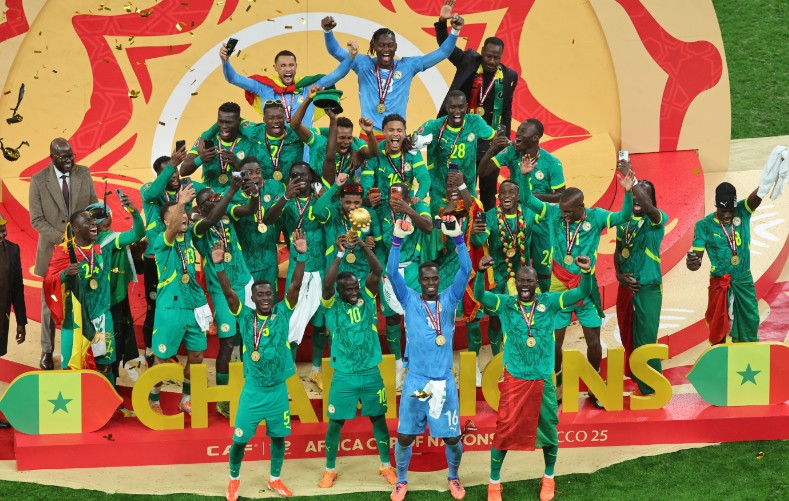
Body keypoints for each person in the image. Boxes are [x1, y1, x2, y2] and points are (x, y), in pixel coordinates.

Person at [475, 254, 593, 501]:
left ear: (536, 282)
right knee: (504, 430)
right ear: (516, 282)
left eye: (529, 281)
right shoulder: (506, 304)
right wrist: (479, 273)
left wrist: (587, 272)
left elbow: (581, 292)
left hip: (543, 379)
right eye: (521, 280)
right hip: (515, 378)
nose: (525, 285)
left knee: (549, 429)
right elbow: (481, 297)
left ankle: (548, 478)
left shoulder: (549, 301)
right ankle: (494, 483)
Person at [521, 165, 635, 407]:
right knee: (554, 341)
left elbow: (624, 217)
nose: (564, 216)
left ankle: (595, 387)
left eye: (569, 212)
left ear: (581, 208)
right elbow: (526, 199)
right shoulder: (554, 213)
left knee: (594, 341)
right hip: (558, 285)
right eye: (562, 211)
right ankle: (559, 385)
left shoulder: (597, 217)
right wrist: (523, 176)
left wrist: (628, 192)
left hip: (586, 285)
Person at [220, 230, 309, 501]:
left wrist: (301, 255)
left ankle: (275, 478)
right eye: (260, 295)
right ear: (254, 298)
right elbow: (227, 293)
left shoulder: (283, 311)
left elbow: (294, 285)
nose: (266, 298)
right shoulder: (245, 318)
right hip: (253, 391)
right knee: (239, 439)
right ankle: (234, 479)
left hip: (278, 391)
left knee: (279, 437)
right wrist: (218, 266)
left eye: (269, 293)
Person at [388, 215, 472, 501]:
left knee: (451, 438)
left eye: (435, 278)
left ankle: (454, 477)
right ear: (420, 281)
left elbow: (466, 268)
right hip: (417, 381)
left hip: (444, 382)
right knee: (405, 437)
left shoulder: (450, 299)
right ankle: (400, 480)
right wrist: (397, 239)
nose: (431, 282)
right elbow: (391, 271)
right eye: (426, 279)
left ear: (439, 279)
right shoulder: (409, 299)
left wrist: (459, 239)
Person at [317, 233, 397, 488]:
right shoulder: (332, 304)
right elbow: (327, 284)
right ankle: (330, 469)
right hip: (343, 374)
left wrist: (362, 245)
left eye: (355, 287)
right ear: (339, 292)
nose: (353, 292)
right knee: (335, 423)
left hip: (371, 371)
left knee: (378, 419)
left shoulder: (367, 298)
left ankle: (386, 465)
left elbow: (377, 269)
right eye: (348, 289)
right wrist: (340, 254)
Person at [44, 194, 145, 383]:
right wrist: (65, 274)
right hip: (74, 321)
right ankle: (75, 408)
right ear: (74, 228)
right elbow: (49, 281)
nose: (93, 224)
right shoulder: (64, 252)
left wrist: (134, 212)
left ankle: (106, 406)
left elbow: (137, 234)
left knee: (104, 365)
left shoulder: (105, 243)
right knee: (72, 367)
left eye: (93, 221)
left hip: (101, 318)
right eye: (87, 221)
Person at [433, 0, 518, 211]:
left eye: (496, 58)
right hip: (463, 139)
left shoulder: (509, 76)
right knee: (458, 188)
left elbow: (506, 110)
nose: (491, 61)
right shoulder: (469, 60)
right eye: (488, 56)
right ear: (482, 52)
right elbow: (446, 48)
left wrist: (503, 138)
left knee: (489, 192)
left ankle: (485, 237)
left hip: (489, 142)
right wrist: (443, 22)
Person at [322, 13, 464, 133]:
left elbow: (443, 52)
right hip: (368, 133)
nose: (386, 49)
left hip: (396, 135)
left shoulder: (408, 66)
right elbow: (335, 51)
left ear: (395, 46)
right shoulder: (362, 63)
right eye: (381, 45)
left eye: (390, 45)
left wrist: (455, 31)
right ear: (374, 46)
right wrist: (328, 32)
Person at [29, 137, 98, 370]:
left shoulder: (84, 173)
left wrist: (89, 231)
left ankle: (87, 346)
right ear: (52, 158)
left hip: (82, 250)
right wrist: (65, 239)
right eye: (64, 157)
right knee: (50, 303)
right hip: (53, 251)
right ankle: (47, 351)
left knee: (85, 297)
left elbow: (92, 208)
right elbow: (36, 220)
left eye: (71, 156)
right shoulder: (38, 181)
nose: (69, 161)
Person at [148, 183, 213, 415]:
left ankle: (186, 398)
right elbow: (175, 225)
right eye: (178, 215)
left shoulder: (189, 239)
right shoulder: (161, 241)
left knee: (197, 355)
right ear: (167, 221)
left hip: (192, 306)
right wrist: (181, 202)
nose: (183, 217)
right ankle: (153, 397)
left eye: (184, 215)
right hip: (170, 307)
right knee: (163, 357)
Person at [479, 119, 565, 293]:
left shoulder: (552, 163)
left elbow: (561, 196)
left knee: (543, 270)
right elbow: (483, 172)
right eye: (518, 129)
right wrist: (493, 148)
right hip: (515, 217)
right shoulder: (511, 152)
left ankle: (543, 305)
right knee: (515, 264)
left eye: (523, 131)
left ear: (534, 138)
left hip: (540, 220)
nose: (517, 133)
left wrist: (530, 198)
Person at [192, 177, 253, 417]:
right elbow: (211, 218)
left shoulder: (228, 216)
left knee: (249, 337)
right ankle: (223, 396)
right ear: (199, 207)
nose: (217, 202)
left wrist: (253, 194)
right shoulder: (199, 228)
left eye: (218, 198)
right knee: (227, 341)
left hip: (244, 282)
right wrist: (229, 192)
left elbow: (248, 209)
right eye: (211, 199)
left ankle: (250, 386)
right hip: (220, 287)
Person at [263, 161, 328, 388]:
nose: (299, 179)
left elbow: (334, 217)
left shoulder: (320, 199)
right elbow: (268, 220)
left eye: (303, 175)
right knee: (291, 321)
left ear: (312, 177)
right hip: (297, 269)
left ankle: (317, 370)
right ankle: (288, 373)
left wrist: (323, 195)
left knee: (320, 323)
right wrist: (286, 197)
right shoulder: (287, 203)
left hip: (320, 267)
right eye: (294, 175)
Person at [471, 180, 540, 385]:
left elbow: (540, 237)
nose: (507, 195)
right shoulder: (490, 216)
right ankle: (497, 359)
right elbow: (477, 242)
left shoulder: (528, 214)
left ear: (518, 196)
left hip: (523, 277)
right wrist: (476, 232)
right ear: (498, 196)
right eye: (503, 192)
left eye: (511, 192)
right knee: (494, 319)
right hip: (498, 276)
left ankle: (520, 357)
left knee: (522, 319)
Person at [426, 172, 487, 386]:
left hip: (468, 268)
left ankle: (474, 366)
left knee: (473, 318)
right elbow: (433, 238)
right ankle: (444, 365)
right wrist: (445, 215)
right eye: (449, 184)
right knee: (442, 321)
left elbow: (480, 228)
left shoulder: (474, 206)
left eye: (458, 184)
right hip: (446, 270)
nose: (453, 188)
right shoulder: (438, 209)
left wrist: (462, 190)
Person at [687, 181, 763, 344]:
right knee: (718, 326)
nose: (727, 215)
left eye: (730, 211)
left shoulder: (743, 211)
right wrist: (693, 262)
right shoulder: (703, 226)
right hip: (719, 283)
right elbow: (696, 259)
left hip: (743, 281)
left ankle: (748, 358)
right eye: (723, 211)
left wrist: (772, 171)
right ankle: (721, 362)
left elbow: (758, 195)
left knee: (750, 321)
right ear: (716, 206)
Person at [614, 170, 667, 395]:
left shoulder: (656, 220)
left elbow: (650, 209)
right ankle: (640, 381)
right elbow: (618, 251)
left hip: (648, 287)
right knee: (629, 337)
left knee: (646, 339)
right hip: (625, 288)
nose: (637, 199)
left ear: (650, 200)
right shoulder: (623, 221)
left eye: (642, 195)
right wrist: (618, 274)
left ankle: (653, 388)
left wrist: (633, 183)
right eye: (634, 195)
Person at [377, 183, 434, 389]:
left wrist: (408, 210)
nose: (395, 202)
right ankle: (398, 364)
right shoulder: (381, 211)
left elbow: (428, 227)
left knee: (416, 317)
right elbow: (377, 243)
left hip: (412, 270)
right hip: (390, 269)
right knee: (391, 317)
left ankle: (416, 364)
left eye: (399, 198)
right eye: (392, 198)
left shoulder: (418, 207)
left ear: (409, 197)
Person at [220, 42, 355, 125]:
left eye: (291, 65)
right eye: (283, 66)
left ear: (296, 66)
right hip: (276, 149)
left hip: (304, 151)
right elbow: (233, 78)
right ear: (275, 68)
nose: (288, 69)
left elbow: (337, 74)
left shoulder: (309, 86)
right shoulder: (263, 87)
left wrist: (351, 57)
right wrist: (225, 61)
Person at [88, 203, 145, 394]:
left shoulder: (100, 239)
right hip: (98, 304)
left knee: (106, 346)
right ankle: (101, 392)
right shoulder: (105, 240)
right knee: (102, 347)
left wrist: (134, 212)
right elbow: (137, 233)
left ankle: (104, 392)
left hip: (102, 304)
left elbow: (137, 234)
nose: (107, 223)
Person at [140, 146, 190, 365]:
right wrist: (171, 165)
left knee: (176, 306)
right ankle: (151, 350)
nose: (173, 176)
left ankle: (168, 349)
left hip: (178, 258)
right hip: (155, 259)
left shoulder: (185, 191)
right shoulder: (150, 190)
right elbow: (151, 194)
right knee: (155, 306)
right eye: (168, 173)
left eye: (176, 172)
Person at [289, 87, 379, 187]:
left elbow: (373, 152)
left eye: (349, 138)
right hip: (318, 195)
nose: (346, 142)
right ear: (332, 135)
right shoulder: (319, 142)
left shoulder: (356, 144)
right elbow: (295, 125)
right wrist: (308, 99)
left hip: (344, 198)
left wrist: (370, 133)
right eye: (341, 138)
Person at [419, 90, 496, 208]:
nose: (457, 111)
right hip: (440, 193)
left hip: (467, 188)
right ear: (446, 107)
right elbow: (411, 143)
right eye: (453, 107)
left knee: (471, 223)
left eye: (461, 107)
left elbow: (495, 136)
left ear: (466, 106)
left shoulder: (474, 121)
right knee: (440, 225)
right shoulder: (434, 126)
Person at [180, 102, 263, 191]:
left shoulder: (248, 143)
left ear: (238, 122)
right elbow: (183, 171)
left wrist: (236, 165)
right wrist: (200, 159)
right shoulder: (206, 139)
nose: (223, 126)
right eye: (220, 122)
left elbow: (254, 180)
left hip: (236, 197)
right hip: (209, 196)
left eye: (228, 122)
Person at [228, 157, 282, 292]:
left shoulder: (274, 186)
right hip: (245, 263)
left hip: (269, 260)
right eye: (250, 173)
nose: (255, 176)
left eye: (258, 171)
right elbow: (249, 210)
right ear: (241, 175)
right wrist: (254, 194)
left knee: (269, 302)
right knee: (249, 304)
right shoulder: (234, 196)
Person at [361, 114, 431, 207]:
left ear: (404, 133)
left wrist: (418, 196)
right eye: (391, 130)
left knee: (423, 208)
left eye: (399, 130)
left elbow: (424, 178)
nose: (395, 134)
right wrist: (367, 196)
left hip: (405, 205)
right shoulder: (375, 152)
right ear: (384, 132)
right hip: (381, 206)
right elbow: (366, 181)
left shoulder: (412, 151)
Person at [0, 214, 27, 427]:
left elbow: (17, 287)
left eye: (4, 228)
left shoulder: (12, 249)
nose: (4, 233)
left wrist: (21, 321)